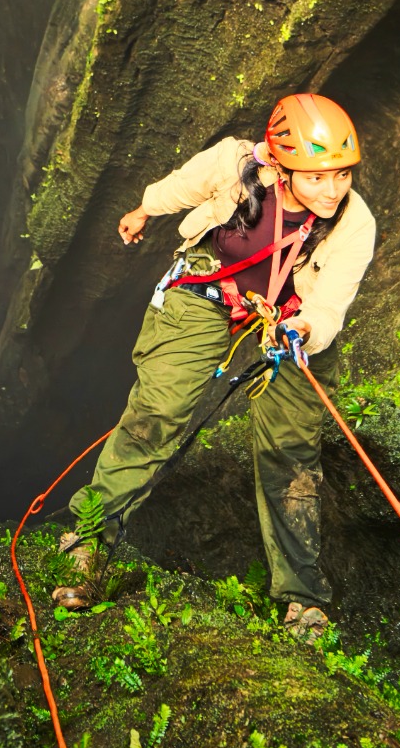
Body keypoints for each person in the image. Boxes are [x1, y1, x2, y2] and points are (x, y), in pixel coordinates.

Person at [56, 91, 376, 632]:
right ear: (278, 163)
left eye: (342, 174)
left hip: (290, 320)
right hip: (211, 288)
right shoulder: (235, 166)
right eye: (316, 176)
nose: (332, 188)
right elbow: (180, 186)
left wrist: (305, 327)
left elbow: (330, 302)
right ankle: (87, 539)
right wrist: (141, 210)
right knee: (159, 411)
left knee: (291, 451)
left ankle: (303, 597)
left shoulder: (354, 221)